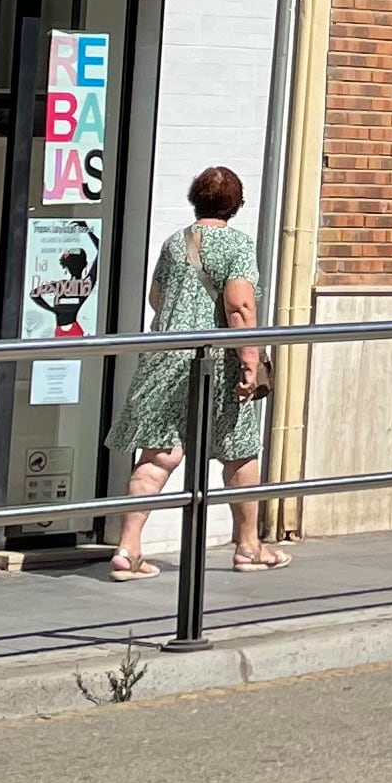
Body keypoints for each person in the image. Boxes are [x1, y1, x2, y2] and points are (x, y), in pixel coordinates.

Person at [115, 166, 278, 576]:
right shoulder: (237, 245)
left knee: (157, 456)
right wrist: (249, 361)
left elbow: (157, 297)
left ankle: (128, 548)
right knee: (239, 452)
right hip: (216, 362)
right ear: (236, 205)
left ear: (195, 198)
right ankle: (248, 547)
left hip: (165, 356)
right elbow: (240, 306)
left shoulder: (175, 243)